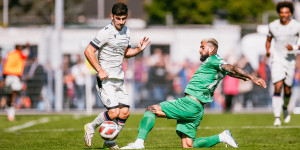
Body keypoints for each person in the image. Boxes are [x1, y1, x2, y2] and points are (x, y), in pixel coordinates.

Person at [121, 38, 266, 149]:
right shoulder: (216, 63)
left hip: (189, 103)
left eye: (202, 47)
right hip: (197, 108)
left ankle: (139, 143)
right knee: (188, 145)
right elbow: (232, 72)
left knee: (151, 110)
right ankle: (221, 136)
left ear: (212, 49)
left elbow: (231, 67)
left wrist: (253, 77)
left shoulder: (214, 59)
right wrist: (249, 77)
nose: (200, 50)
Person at [83, 2, 150, 149]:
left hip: (119, 78)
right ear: (111, 16)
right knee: (113, 113)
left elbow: (126, 53)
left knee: (125, 113)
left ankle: (109, 140)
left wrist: (139, 49)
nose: (121, 22)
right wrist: (99, 70)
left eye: (123, 18)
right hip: (105, 79)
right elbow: (88, 51)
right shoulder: (105, 32)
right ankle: (91, 126)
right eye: (118, 18)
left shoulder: (127, 31)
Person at [265, 1, 300, 126]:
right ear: (279, 13)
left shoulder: (296, 26)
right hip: (277, 60)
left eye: (286, 12)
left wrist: (295, 47)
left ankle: (285, 107)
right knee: (277, 86)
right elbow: (268, 40)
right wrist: (268, 51)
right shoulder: (273, 25)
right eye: (282, 12)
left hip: (290, 60)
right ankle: (276, 117)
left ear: (290, 13)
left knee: (287, 89)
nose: (284, 15)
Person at [3, 44, 29, 121]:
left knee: (11, 95)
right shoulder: (20, 54)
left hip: (8, 76)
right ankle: (11, 112)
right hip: (14, 76)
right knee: (12, 95)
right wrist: (27, 46)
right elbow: (26, 53)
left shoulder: (9, 54)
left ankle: (10, 111)